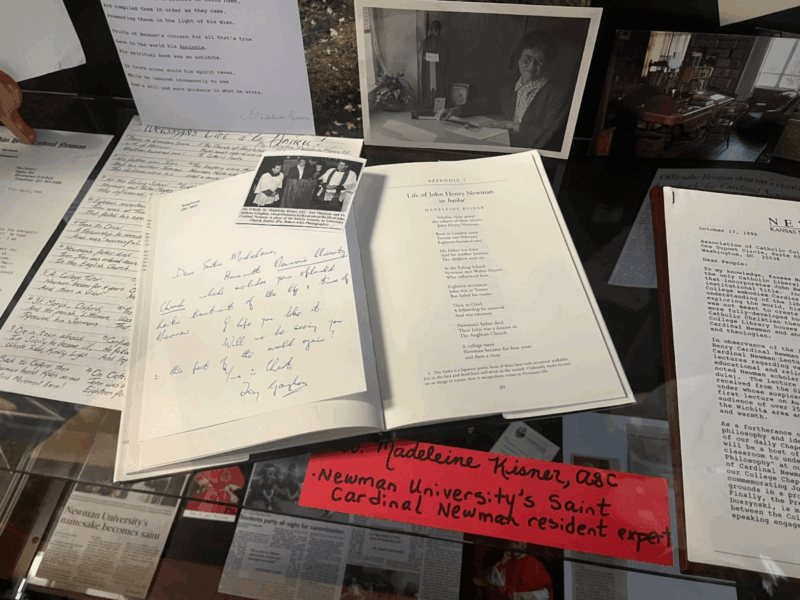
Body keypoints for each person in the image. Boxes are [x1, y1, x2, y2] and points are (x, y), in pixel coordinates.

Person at [436, 31, 568, 150]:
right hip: (504, 141)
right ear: (518, 59)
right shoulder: (509, 85)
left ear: (547, 64)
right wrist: (455, 110)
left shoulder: (557, 94)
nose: (531, 67)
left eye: (539, 61)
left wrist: (508, 124)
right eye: (526, 59)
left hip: (530, 149)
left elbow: (548, 134)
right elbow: (484, 105)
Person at [473, 542, 553, 600]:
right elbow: (492, 584)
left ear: (524, 545)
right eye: (511, 543)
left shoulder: (534, 563)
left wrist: (524, 597)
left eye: (516, 543)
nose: (512, 546)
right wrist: (503, 562)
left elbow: (546, 593)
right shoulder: (506, 562)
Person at [418, 20, 449, 109]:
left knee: (440, 87)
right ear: (431, 30)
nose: (436, 31)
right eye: (434, 29)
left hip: (440, 69)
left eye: (438, 29)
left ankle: (439, 107)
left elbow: (447, 56)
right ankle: (428, 105)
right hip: (428, 70)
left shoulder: (443, 42)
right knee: (429, 87)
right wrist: (428, 58)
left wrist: (441, 59)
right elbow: (420, 55)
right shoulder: (426, 42)